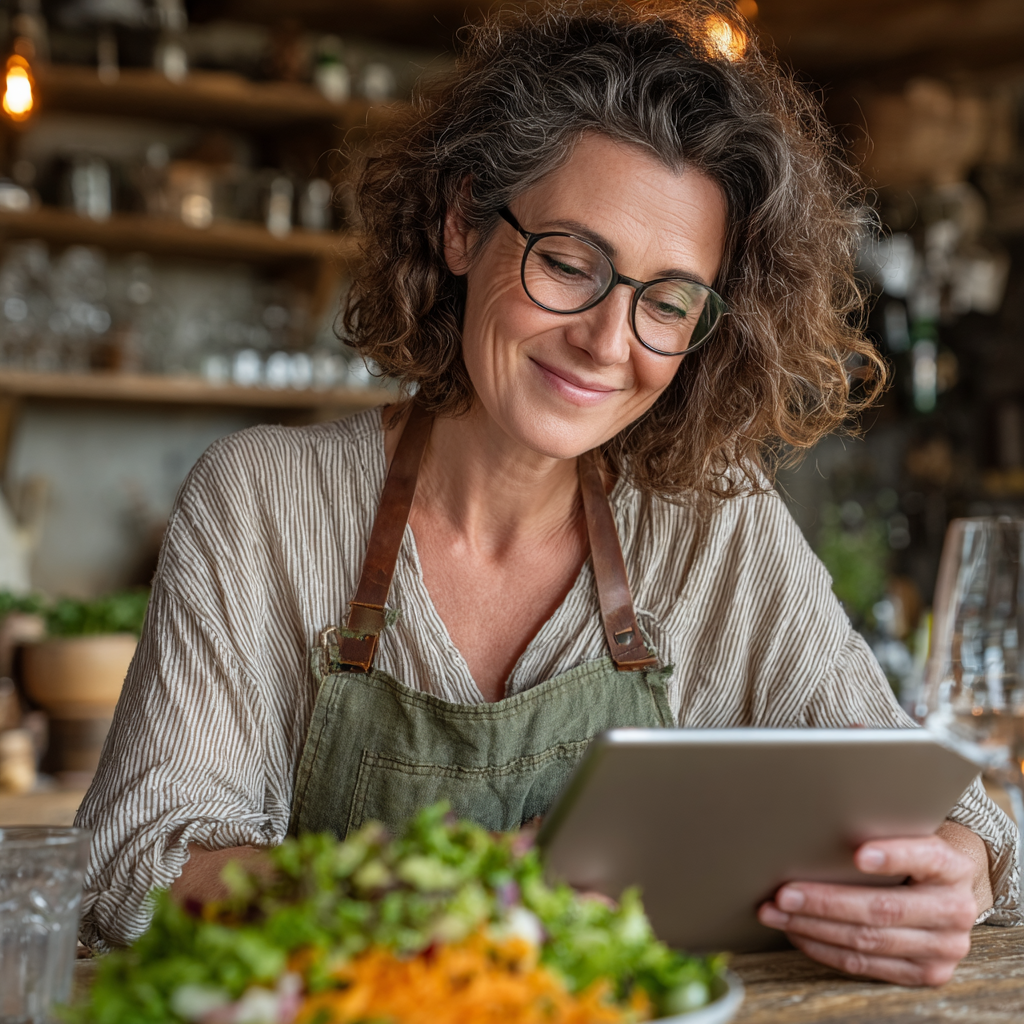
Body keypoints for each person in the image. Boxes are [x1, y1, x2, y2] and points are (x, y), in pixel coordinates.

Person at [76, 0, 1018, 986]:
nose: (608, 344)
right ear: (460, 224)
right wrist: (466, 886)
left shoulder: (713, 523)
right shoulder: (267, 500)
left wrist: (962, 864)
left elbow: (953, 811)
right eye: (569, 264)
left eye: (667, 301)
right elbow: (136, 867)